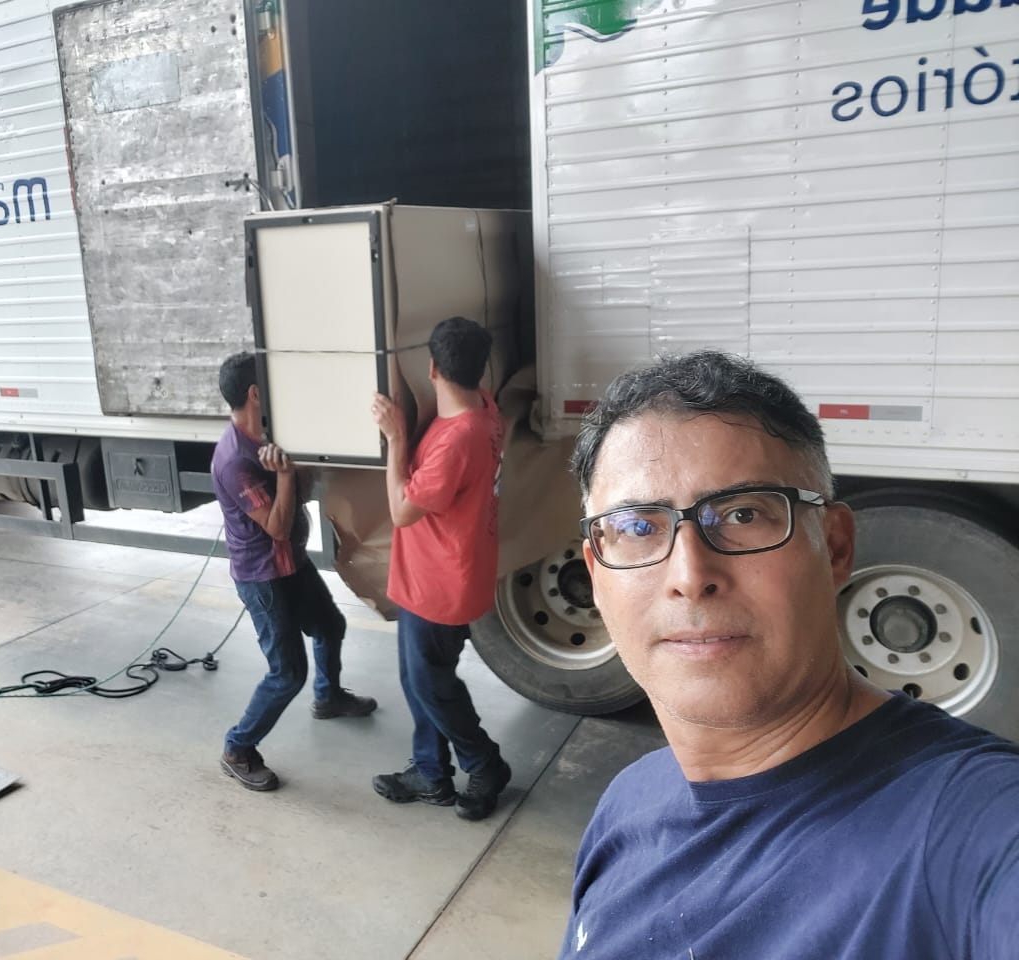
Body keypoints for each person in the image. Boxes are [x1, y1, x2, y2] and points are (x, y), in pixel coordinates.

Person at [559, 350, 1019, 959]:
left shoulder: (968, 827)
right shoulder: (627, 806)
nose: (690, 576)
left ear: (835, 547)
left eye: (743, 514)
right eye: (639, 527)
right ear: (596, 576)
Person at [212, 352, 376, 792]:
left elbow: (299, 495)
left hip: (290, 564)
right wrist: (285, 475)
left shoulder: (267, 438)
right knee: (286, 674)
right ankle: (237, 748)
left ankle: (328, 697)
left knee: (330, 625)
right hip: (263, 578)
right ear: (255, 393)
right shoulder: (235, 460)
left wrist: (296, 468)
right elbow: (278, 527)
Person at [370, 316, 512, 821]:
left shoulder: (456, 440)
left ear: (431, 368)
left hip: (438, 585)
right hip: (444, 576)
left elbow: (401, 511)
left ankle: (484, 764)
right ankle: (431, 772)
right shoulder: (485, 409)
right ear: (481, 371)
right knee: (420, 680)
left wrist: (396, 440)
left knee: (432, 685)